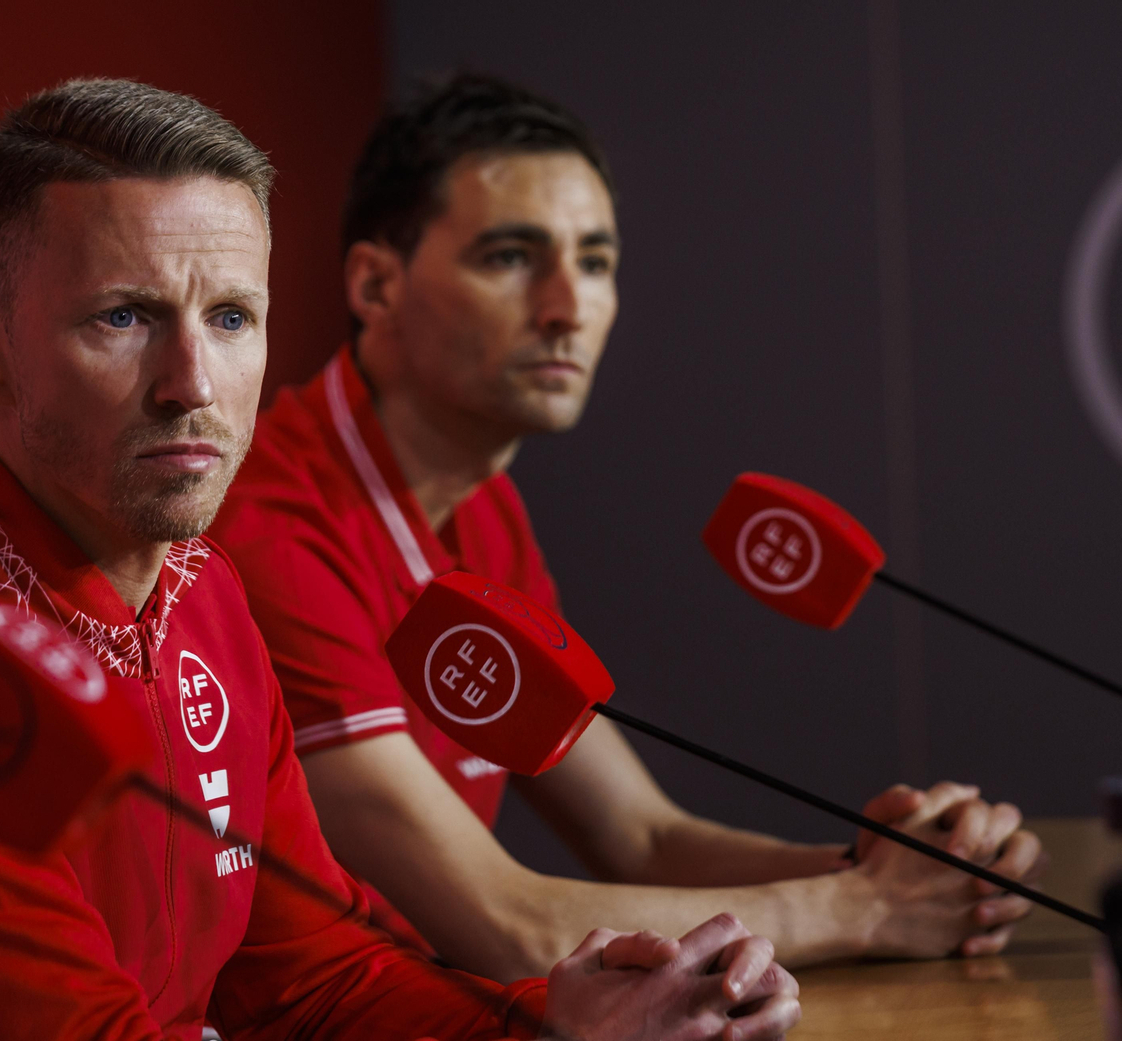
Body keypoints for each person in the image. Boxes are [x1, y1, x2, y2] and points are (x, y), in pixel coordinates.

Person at [0, 78, 799, 1041]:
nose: (193, 385)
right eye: (124, 317)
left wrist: (556, 1019)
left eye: (231, 317)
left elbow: (322, 977)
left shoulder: (202, 589)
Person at [212, 73, 1045, 981]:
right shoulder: (270, 530)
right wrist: (872, 906)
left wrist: (891, 870)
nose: (567, 307)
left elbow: (641, 838)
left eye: (596, 261)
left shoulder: (481, 506)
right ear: (376, 284)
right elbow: (506, 924)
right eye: (510, 257)